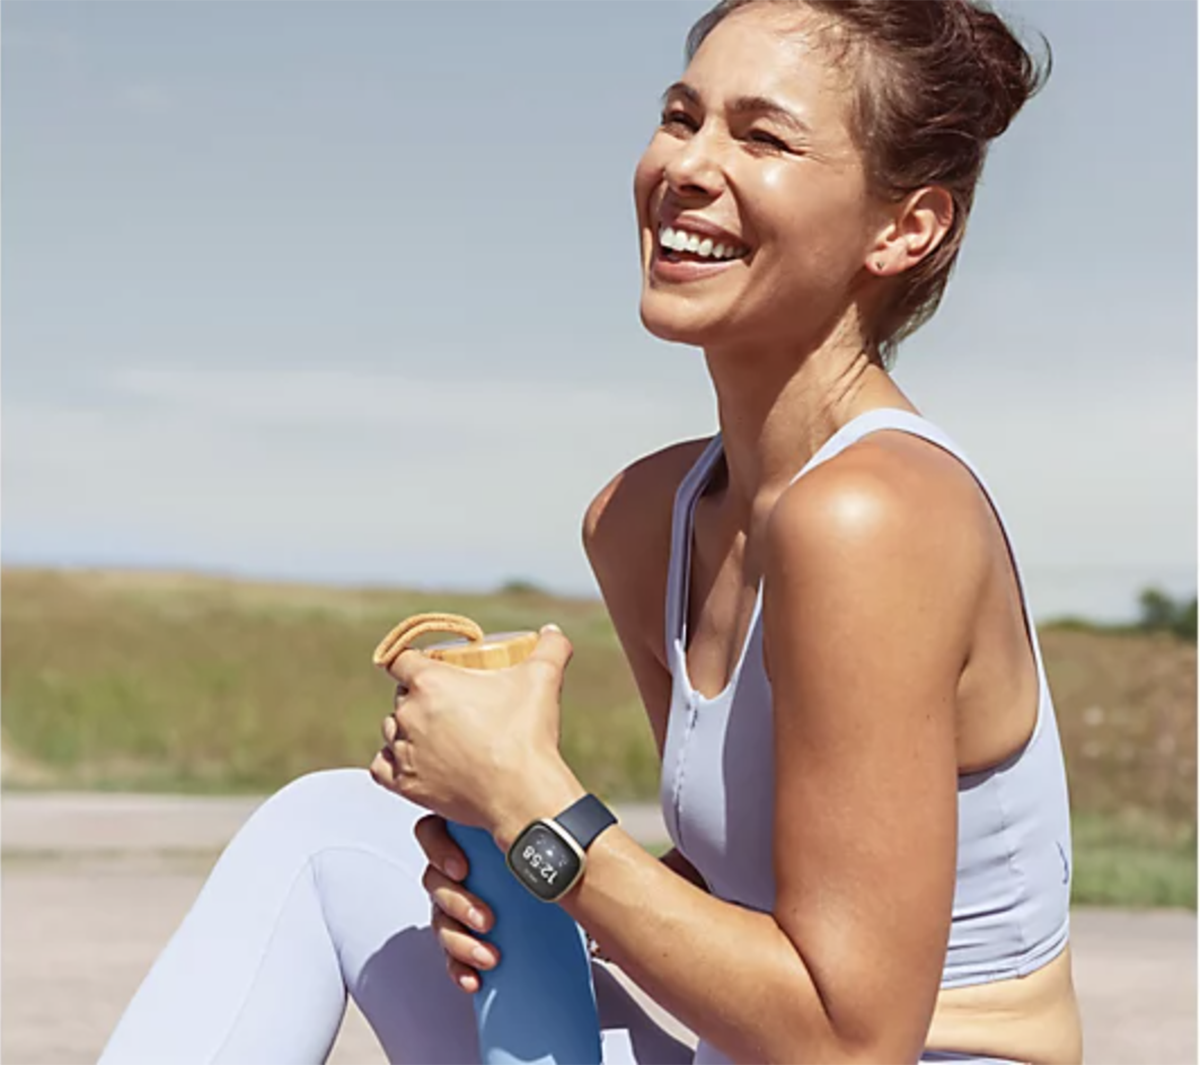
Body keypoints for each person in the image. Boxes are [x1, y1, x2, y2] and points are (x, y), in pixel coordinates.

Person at [98, 1, 1083, 1062]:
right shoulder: (646, 519)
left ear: (906, 229)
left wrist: (530, 802)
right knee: (331, 830)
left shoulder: (874, 516)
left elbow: (851, 1043)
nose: (690, 166)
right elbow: (732, 894)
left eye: (762, 137)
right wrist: (521, 883)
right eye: (681, 115)